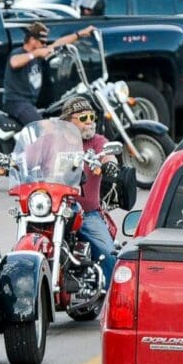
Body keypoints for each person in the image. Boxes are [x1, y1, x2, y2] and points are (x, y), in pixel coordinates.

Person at [63, 96, 118, 288]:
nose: (90, 122)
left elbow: (108, 155)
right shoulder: (54, 142)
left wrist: (109, 165)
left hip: (87, 213)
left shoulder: (97, 142)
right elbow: (31, 157)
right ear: (68, 120)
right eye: (84, 117)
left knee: (108, 252)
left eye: (92, 117)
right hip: (53, 210)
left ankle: (114, 298)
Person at [3, 22, 96, 125]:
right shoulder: (18, 53)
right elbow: (14, 62)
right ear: (32, 40)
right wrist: (36, 53)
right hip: (16, 102)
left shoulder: (38, 54)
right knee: (44, 127)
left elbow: (59, 43)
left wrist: (80, 33)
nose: (45, 45)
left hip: (29, 104)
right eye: (42, 42)